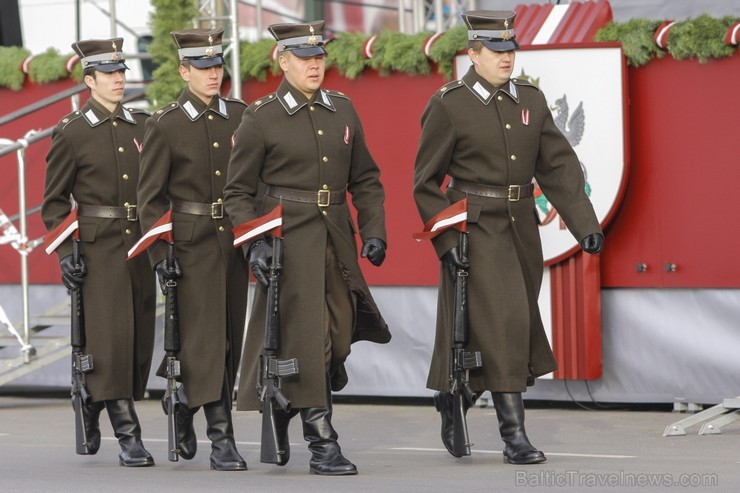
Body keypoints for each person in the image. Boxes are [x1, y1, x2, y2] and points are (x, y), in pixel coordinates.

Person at [413, 10, 604, 465]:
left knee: (504, 323)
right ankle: (513, 435)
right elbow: (424, 183)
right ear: (473, 53)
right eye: (495, 50)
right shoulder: (449, 104)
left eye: (510, 49)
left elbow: (557, 166)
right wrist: (446, 240)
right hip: (474, 228)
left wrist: (586, 224)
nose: (505, 57)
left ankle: (452, 396)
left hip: (520, 227)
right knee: (504, 323)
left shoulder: (531, 100)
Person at [224, 20, 391, 476]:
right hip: (287, 245)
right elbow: (237, 193)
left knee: (338, 339)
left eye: (320, 57)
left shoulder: (343, 109)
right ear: (283, 60)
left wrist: (374, 229)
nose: (316, 64)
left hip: (336, 240)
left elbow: (366, 180)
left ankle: (284, 401)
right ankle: (323, 444)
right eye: (305, 57)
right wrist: (253, 241)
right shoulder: (261, 116)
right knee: (310, 341)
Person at [136, 28, 248, 471]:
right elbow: (150, 200)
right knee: (206, 340)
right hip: (189, 241)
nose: (213, 74)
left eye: (217, 66)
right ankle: (222, 439)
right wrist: (161, 255)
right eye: (203, 68)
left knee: (229, 339)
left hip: (233, 240)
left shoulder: (241, 114)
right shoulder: (164, 123)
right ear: (184, 71)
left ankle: (183, 400)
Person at [42, 38, 156, 467]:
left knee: (140, 339)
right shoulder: (71, 131)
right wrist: (65, 251)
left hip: (139, 243)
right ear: (89, 80)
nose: (119, 80)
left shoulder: (143, 125)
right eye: (109, 74)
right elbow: (54, 203)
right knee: (111, 342)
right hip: (97, 247)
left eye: (122, 73)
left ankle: (90, 398)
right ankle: (129, 435)